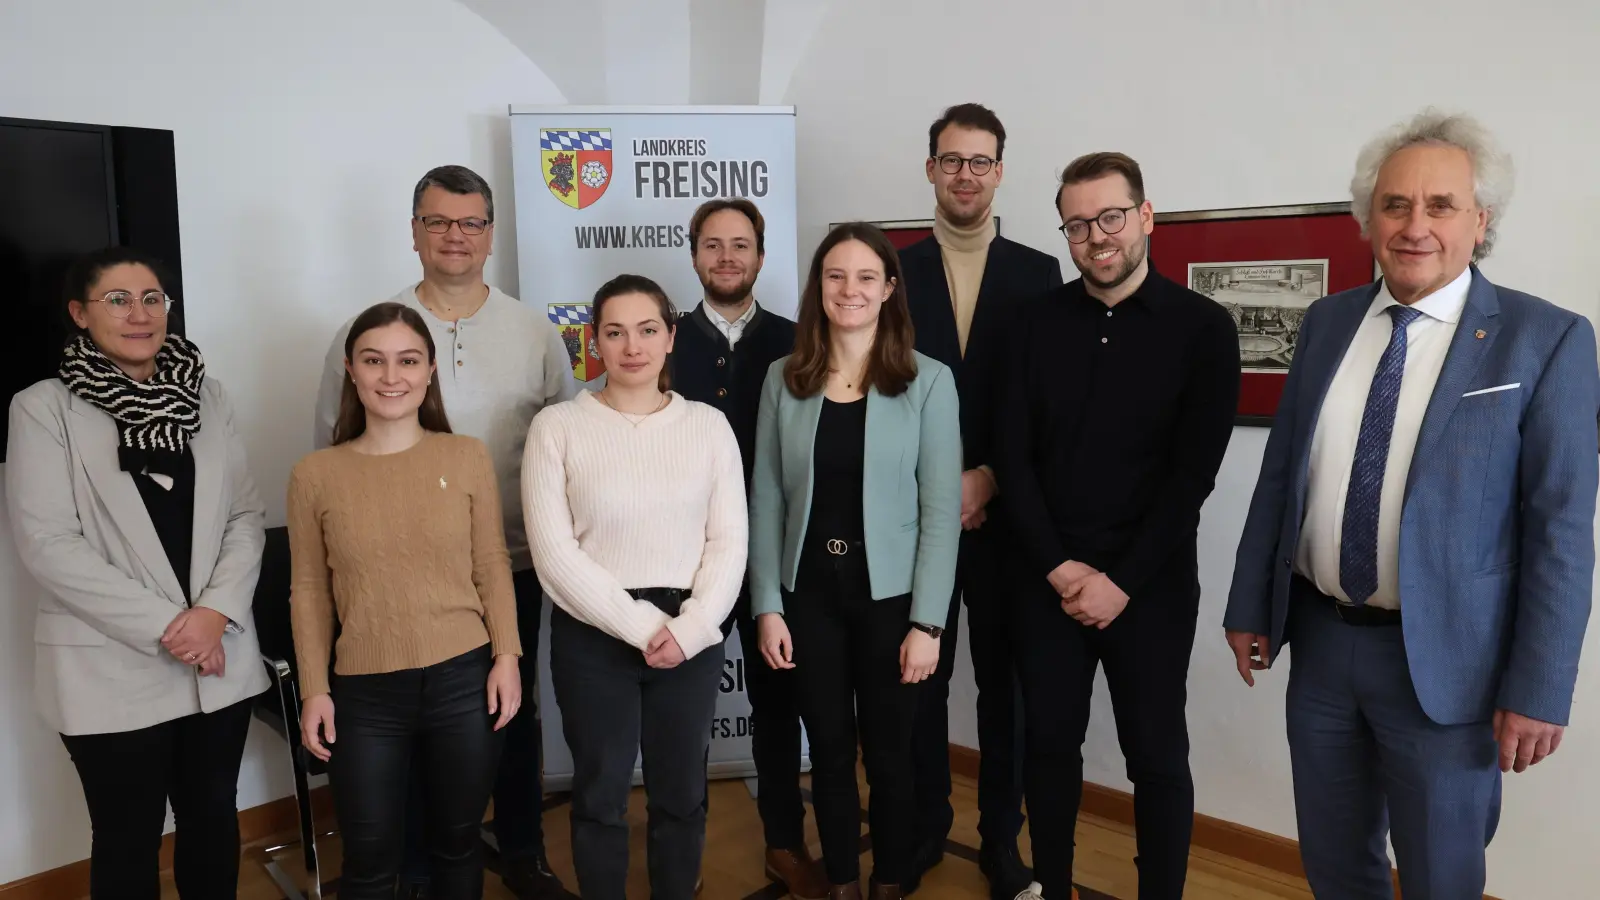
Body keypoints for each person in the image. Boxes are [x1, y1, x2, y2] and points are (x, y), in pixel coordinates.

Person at [1224, 109, 1598, 899]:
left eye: (1440, 205)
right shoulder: (1326, 323)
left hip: (1450, 667)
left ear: (1480, 219)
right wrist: (1249, 602)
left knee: (1441, 874)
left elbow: (1561, 528)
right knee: (1334, 862)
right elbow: (1282, 476)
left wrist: (1538, 688)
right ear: (1370, 217)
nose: (1414, 225)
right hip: (1322, 645)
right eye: (1395, 205)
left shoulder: (1547, 339)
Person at [312, 164, 575, 899]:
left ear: (491, 234)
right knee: (412, 734)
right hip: (397, 581)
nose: (454, 236)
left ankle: (523, 850)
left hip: (513, 563)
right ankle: (422, 864)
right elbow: (330, 453)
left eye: (470, 222)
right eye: (438, 221)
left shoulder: (533, 330)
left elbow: (566, 443)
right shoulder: (374, 329)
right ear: (415, 232)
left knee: (512, 718)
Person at [996, 152, 1239, 900]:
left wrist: (1120, 582)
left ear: (1145, 216)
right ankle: (1057, 887)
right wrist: (1060, 569)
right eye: (1077, 224)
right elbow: (1012, 459)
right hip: (1048, 580)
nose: (1096, 236)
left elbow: (1191, 477)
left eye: (1110, 217)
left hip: (1152, 586)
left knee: (1158, 758)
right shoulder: (1030, 324)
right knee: (1049, 748)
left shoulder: (1203, 328)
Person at [5, 246, 270, 898]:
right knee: (128, 834)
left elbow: (244, 515)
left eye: (152, 298)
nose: (139, 313)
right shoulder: (43, 408)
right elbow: (48, 544)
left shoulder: (206, 394)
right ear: (79, 313)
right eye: (117, 299)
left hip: (220, 654)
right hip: (110, 665)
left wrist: (215, 615)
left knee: (213, 818)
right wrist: (175, 627)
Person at [750, 222, 963, 900]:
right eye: (835, 276)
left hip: (893, 599)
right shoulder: (783, 380)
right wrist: (766, 605)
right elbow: (766, 502)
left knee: (892, 756)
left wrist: (928, 625)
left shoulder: (928, 383)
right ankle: (842, 880)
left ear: (888, 289)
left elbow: (940, 513)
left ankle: (891, 880)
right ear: (819, 287)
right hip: (807, 591)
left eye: (866, 277)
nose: (850, 289)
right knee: (831, 754)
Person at [289, 302, 524, 900]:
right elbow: (311, 590)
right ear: (351, 370)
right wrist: (314, 689)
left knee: (458, 844)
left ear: (429, 371)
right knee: (368, 863)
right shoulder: (314, 474)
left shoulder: (465, 455)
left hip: (463, 678)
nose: (391, 377)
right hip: (365, 693)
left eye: (408, 360)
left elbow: (491, 564)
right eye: (374, 361)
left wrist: (506, 657)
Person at [523, 274, 747, 900]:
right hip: (595, 634)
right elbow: (555, 556)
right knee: (600, 795)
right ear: (594, 342)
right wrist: (646, 627)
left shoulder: (708, 427)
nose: (632, 346)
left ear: (671, 336)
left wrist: (692, 629)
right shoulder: (558, 427)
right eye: (614, 332)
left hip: (690, 633)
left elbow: (728, 543)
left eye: (647, 330)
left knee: (681, 793)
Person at [897, 102, 1062, 899]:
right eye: (952, 160)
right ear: (930, 168)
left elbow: (1044, 402)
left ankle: (1002, 843)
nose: (966, 174)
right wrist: (942, 485)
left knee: (1009, 692)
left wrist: (988, 475)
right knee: (919, 681)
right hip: (915, 518)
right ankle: (929, 826)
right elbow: (882, 396)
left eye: (981, 161)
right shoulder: (889, 270)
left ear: (1000, 171)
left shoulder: (1038, 273)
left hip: (1008, 517)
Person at [666, 199, 823, 895]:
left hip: (775, 557)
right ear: (694, 253)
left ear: (761, 254)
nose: (726, 256)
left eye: (740, 244)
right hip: (682, 560)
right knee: (679, 717)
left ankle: (783, 844)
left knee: (779, 706)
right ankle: (680, 859)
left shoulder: (803, 341)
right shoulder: (660, 339)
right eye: (712, 244)